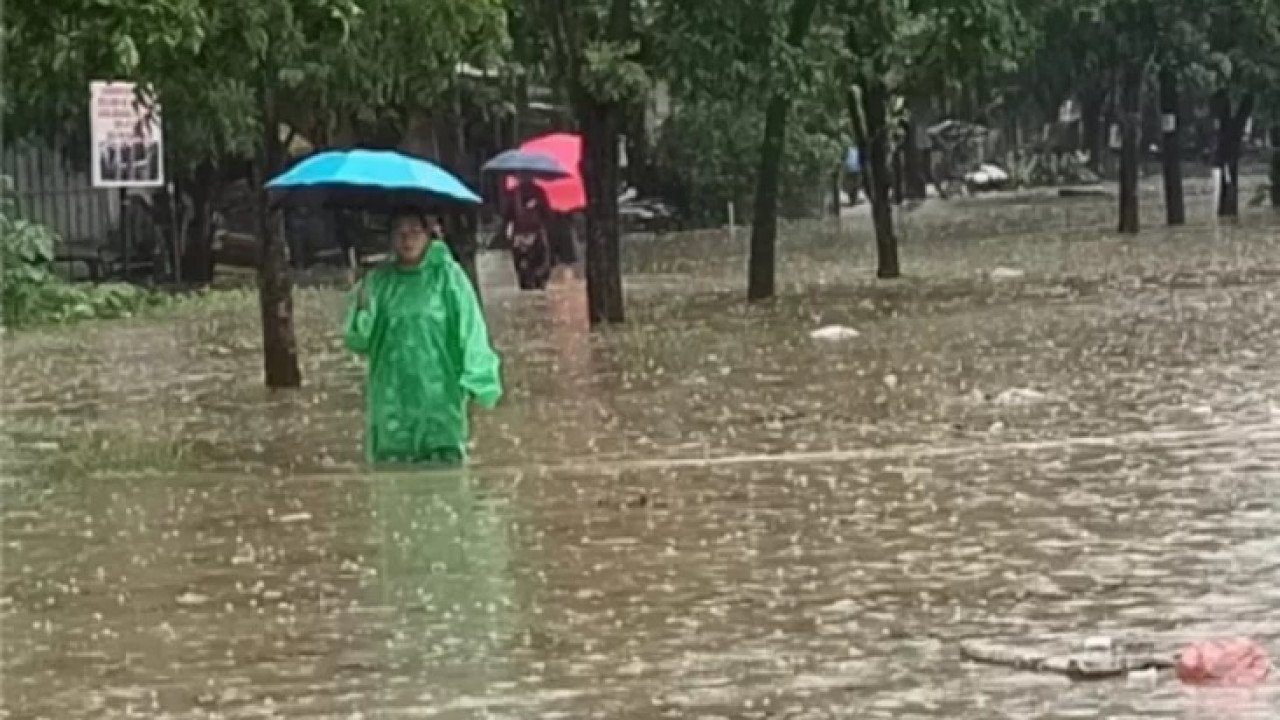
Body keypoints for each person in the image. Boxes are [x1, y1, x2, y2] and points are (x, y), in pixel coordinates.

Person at [344, 212, 503, 465]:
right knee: (393, 476)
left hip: (441, 395)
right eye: (400, 233)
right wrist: (362, 307)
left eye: (415, 232)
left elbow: (471, 329)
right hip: (391, 399)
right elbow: (359, 342)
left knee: (445, 472)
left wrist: (480, 378)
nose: (408, 240)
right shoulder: (377, 282)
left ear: (429, 234)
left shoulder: (449, 278)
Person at [505, 178, 553, 290]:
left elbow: (506, 215)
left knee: (525, 266)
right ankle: (536, 282)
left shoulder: (513, 193)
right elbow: (548, 214)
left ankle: (529, 283)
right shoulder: (539, 192)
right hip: (532, 233)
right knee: (540, 262)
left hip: (521, 235)